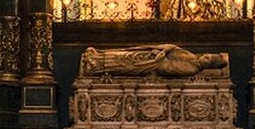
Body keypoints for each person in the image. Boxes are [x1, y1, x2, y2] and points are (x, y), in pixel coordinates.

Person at [80, 44, 227, 78]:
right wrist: (164, 51)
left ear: (208, 66)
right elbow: (174, 47)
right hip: (153, 55)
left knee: (123, 65)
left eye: (207, 60)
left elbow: (167, 69)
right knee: (124, 54)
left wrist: (160, 58)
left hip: (151, 64)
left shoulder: (192, 69)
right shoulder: (191, 56)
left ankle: (96, 67)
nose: (204, 57)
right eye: (206, 56)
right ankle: (96, 56)